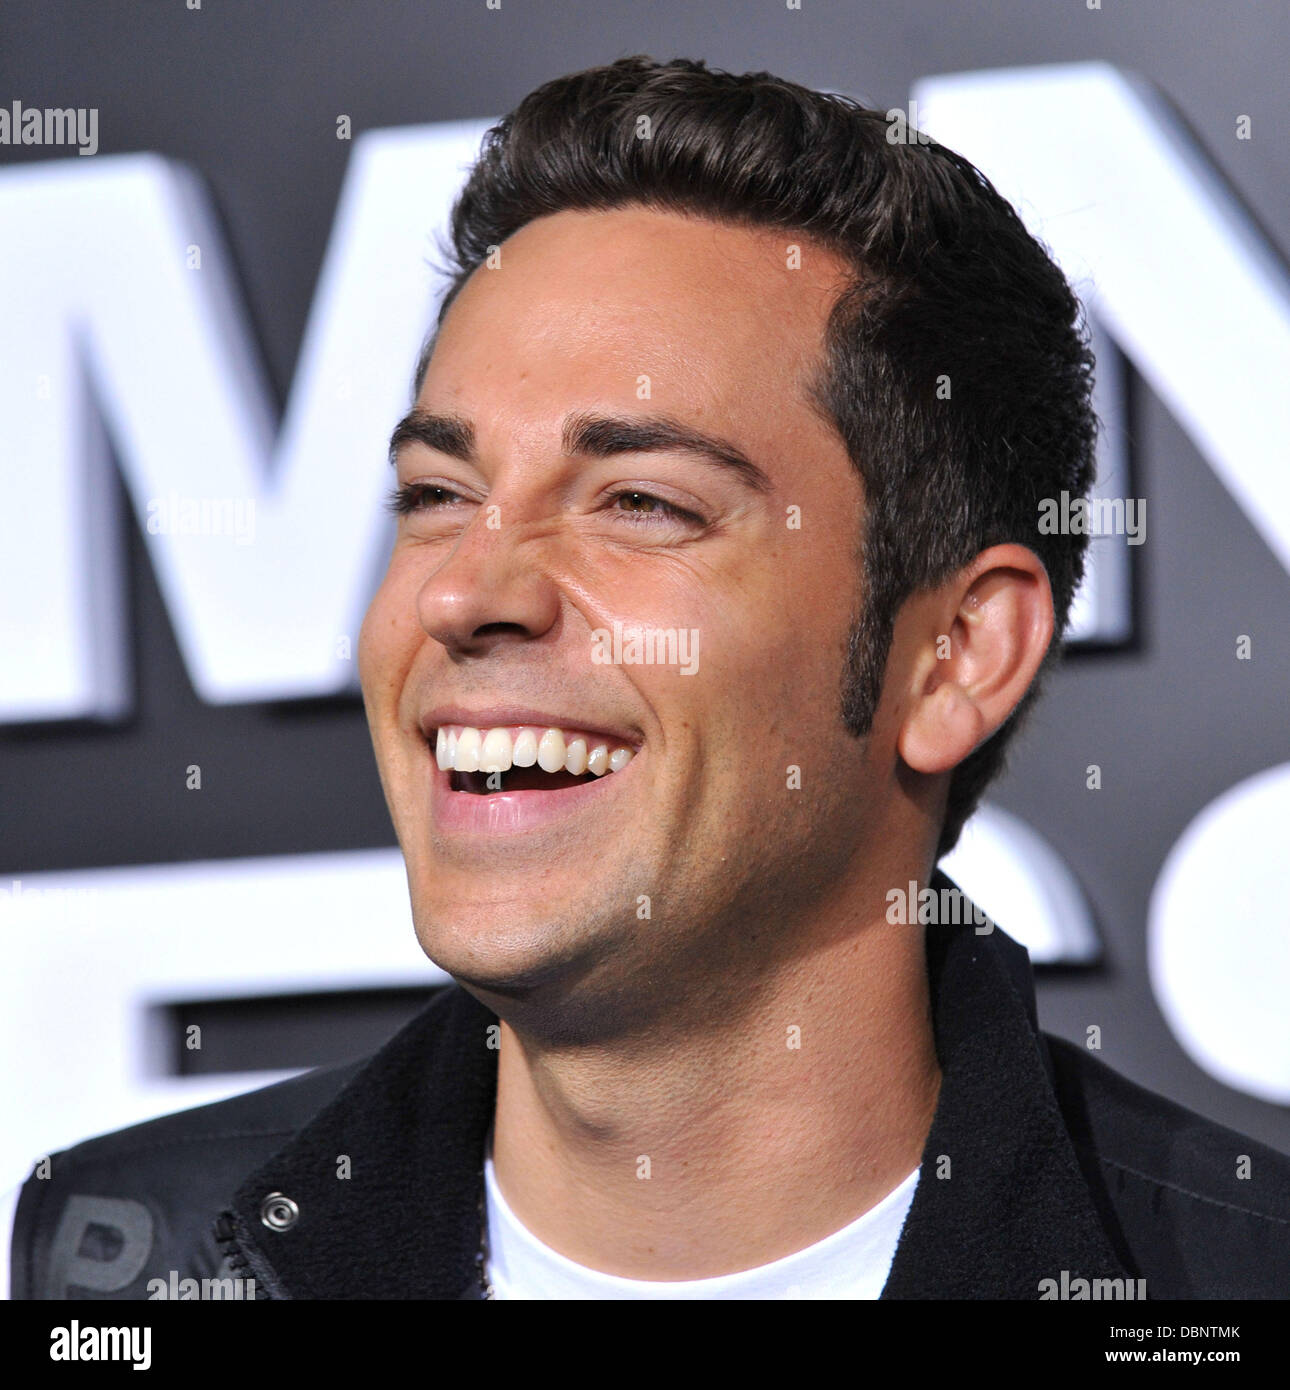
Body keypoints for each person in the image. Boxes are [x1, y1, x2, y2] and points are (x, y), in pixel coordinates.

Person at [11, 56, 1290, 1301]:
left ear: (956, 655)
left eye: (640, 502)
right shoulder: (129, 1252)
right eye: (436, 495)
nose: (465, 592)